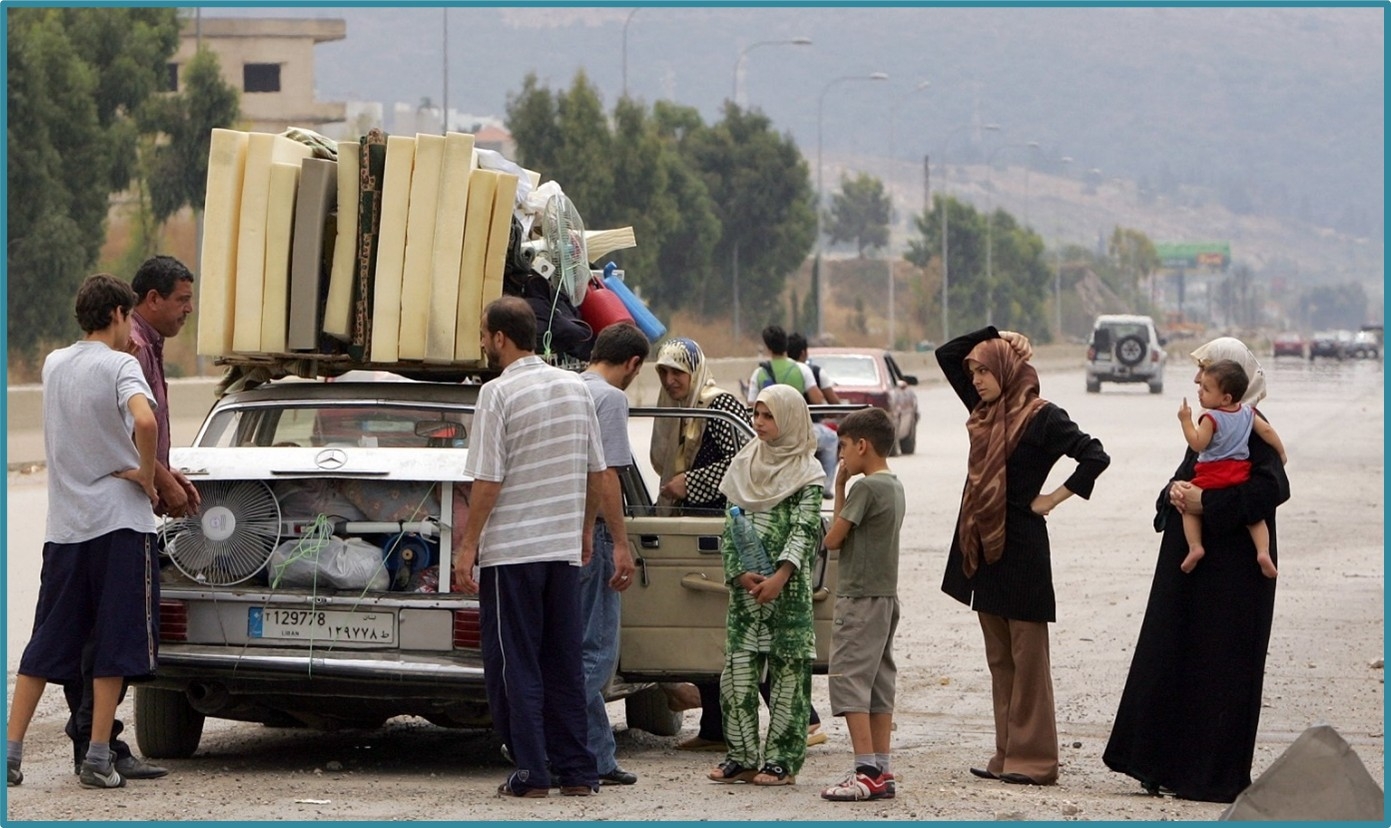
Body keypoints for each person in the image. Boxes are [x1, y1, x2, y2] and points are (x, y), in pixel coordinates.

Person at [1103, 337, 1291, 803]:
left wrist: (1208, 502)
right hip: (1195, 574)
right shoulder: (1213, 426)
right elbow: (1186, 472)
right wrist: (1174, 492)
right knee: (1176, 664)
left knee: (1221, 673)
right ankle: (1164, 766)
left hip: (1234, 580)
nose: (1195, 382)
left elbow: (1273, 489)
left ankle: (1211, 778)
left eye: (1204, 373)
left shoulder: (1251, 427)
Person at [936, 326, 1109, 787]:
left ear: (1006, 371)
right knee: (1000, 660)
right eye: (972, 372)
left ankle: (1035, 761)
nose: (974, 378)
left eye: (983, 370)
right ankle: (1007, 753)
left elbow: (1094, 456)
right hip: (984, 549)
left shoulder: (1042, 416)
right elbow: (946, 353)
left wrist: (1052, 498)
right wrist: (998, 333)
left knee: (1028, 660)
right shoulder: (984, 411)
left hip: (1023, 550)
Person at [7, 273, 161, 790]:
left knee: (48, 640)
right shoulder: (122, 365)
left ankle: (10, 753)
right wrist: (144, 473)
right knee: (113, 640)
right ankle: (98, 755)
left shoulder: (54, 363)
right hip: (119, 523)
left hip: (66, 527)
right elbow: (145, 421)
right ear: (119, 314)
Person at [454, 295, 604, 798]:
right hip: (561, 550)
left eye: (484, 333)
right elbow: (595, 471)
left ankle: (532, 771)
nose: (482, 341)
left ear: (500, 337)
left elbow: (488, 480)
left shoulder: (497, 394)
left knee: (515, 664)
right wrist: (584, 531)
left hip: (511, 553)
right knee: (563, 661)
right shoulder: (575, 388)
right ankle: (578, 771)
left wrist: (467, 545)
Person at [62, 255, 199, 782]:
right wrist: (156, 478)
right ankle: (92, 744)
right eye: (182, 299)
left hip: (109, 514)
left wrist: (166, 474)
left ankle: (100, 742)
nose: (189, 309)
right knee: (105, 636)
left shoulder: (147, 347)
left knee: (106, 634)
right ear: (148, 301)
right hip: (109, 517)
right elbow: (128, 428)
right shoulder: (128, 350)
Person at [706, 385, 825, 787]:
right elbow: (730, 526)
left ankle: (782, 762)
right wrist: (740, 573)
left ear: (789, 419)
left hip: (786, 594)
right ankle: (741, 757)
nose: (759, 423)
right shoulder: (744, 464)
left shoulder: (807, 473)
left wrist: (780, 577)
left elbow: (805, 529)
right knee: (736, 675)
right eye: (756, 414)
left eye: (768, 416)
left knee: (788, 679)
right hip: (746, 594)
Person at [818, 407, 906, 802]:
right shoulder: (894, 484)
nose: (841, 456)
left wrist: (839, 489)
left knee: (851, 678)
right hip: (886, 597)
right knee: (878, 681)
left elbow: (833, 539)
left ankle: (865, 770)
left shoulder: (865, 488)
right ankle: (882, 769)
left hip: (859, 597)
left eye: (844, 446)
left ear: (863, 445)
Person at [577, 322, 649, 787]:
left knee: (569, 645)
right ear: (633, 364)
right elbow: (605, 476)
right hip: (594, 533)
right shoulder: (610, 398)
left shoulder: (568, 387)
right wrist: (620, 544)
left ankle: (598, 755)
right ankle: (557, 742)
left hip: (558, 534)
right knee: (597, 653)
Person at [1176, 358, 1286, 578]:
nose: (1197, 382)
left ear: (1225, 396)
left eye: (1205, 383)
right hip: (1239, 472)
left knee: (1188, 508)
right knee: (1254, 519)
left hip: (1212, 478)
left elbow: (1198, 444)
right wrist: (1282, 452)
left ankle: (1195, 546)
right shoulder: (1247, 414)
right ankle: (1263, 551)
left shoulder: (1210, 418)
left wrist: (1186, 422)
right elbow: (1268, 432)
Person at [650, 336, 750, 513]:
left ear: (695, 371)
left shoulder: (719, 405)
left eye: (677, 372)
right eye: (663, 372)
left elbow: (745, 463)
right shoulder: (681, 408)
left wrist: (690, 483)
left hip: (724, 519)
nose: (668, 381)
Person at [788, 331, 841, 497]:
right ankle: (825, 486)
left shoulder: (770, 372)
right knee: (833, 438)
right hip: (809, 429)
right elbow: (833, 403)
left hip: (781, 429)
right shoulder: (814, 372)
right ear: (804, 352)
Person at [745, 325, 826, 405]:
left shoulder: (759, 373)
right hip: (796, 417)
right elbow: (817, 400)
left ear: (768, 348)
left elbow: (752, 404)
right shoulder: (802, 369)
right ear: (786, 344)